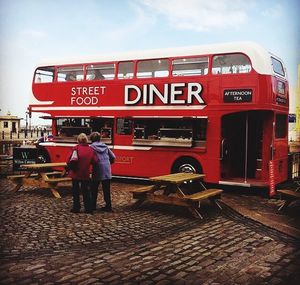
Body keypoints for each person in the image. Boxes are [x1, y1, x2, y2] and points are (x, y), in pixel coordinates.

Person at [67, 133, 98, 214]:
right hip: (85, 173)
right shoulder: (91, 149)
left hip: (75, 172)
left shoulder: (75, 148)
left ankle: (76, 207)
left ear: (78, 140)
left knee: (75, 191)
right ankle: (88, 208)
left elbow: (68, 160)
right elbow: (95, 161)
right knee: (86, 191)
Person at [90, 131, 116, 212]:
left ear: (91, 139)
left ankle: (93, 205)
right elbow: (113, 157)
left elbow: (90, 159)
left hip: (97, 168)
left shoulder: (91, 147)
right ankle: (108, 206)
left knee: (94, 188)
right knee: (106, 189)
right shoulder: (105, 146)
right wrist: (108, 164)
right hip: (106, 169)